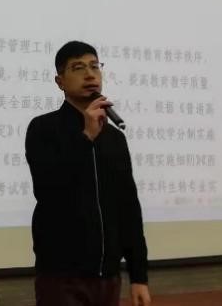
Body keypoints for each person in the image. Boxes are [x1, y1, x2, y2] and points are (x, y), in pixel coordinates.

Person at [25, 41, 151, 306]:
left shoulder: (114, 138)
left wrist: (139, 275)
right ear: (60, 81)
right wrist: (86, 137)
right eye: (78, 68)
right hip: (61, 275)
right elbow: (49, 190)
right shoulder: (43, 128)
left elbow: (128, 206)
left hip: (108, 276)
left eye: (95, 66)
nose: (90, 74)